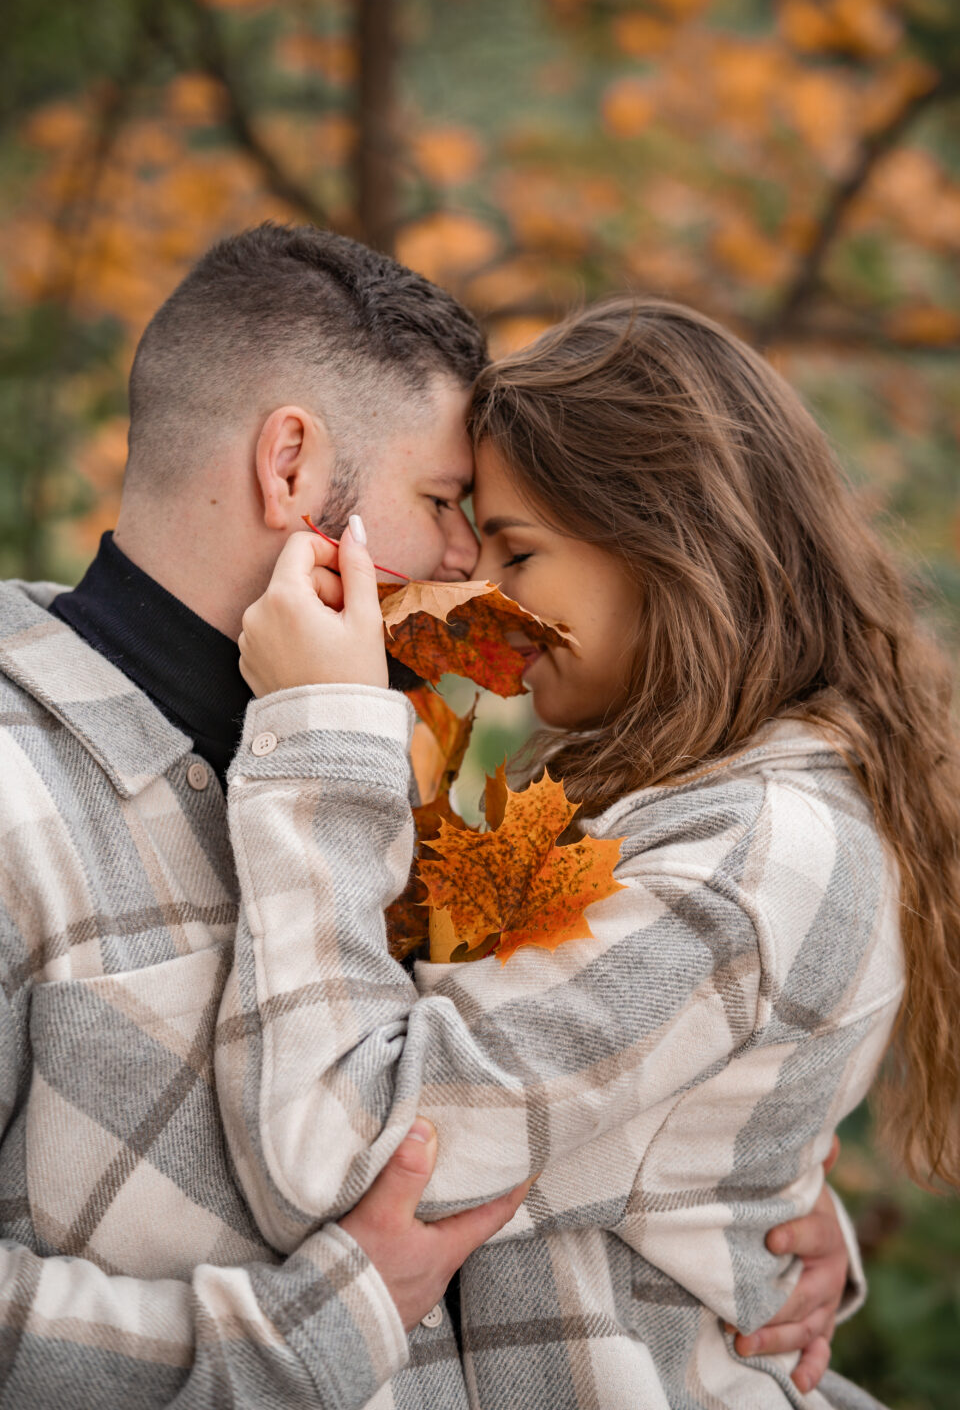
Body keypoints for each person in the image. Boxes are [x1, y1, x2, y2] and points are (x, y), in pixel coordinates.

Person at [0, 224, 848, 1406]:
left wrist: (731, 1171)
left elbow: (505, 1078)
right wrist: (311, 1332)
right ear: (290, 468)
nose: (471, 567)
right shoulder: (17, 788)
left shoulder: (379, 750)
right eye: (447, 502)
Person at [230, 296, 960, 1408]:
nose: (489, 593)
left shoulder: (748, 859)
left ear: (670, 546)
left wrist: (320, 733)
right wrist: (744, 1191)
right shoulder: (676, 802)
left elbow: (342, 1144)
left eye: (520, 550)